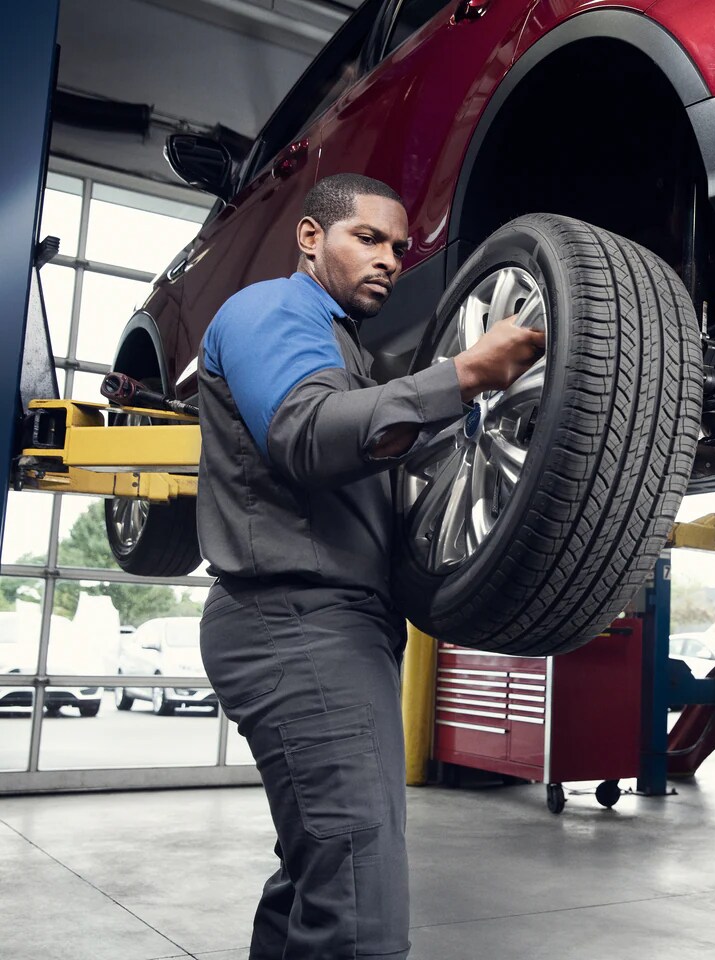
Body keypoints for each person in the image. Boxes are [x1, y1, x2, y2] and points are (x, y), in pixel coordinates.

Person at [197, 172, 543, 959]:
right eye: (369, 238)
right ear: (311, 238)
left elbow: (381, 453)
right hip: (292, 621)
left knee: (320, 867)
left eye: (398, 246)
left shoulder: (345, 347)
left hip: (335, 626)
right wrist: (466, 374)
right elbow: (310, 435)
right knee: (359, 894)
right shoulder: (273, 310)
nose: (390, 258)